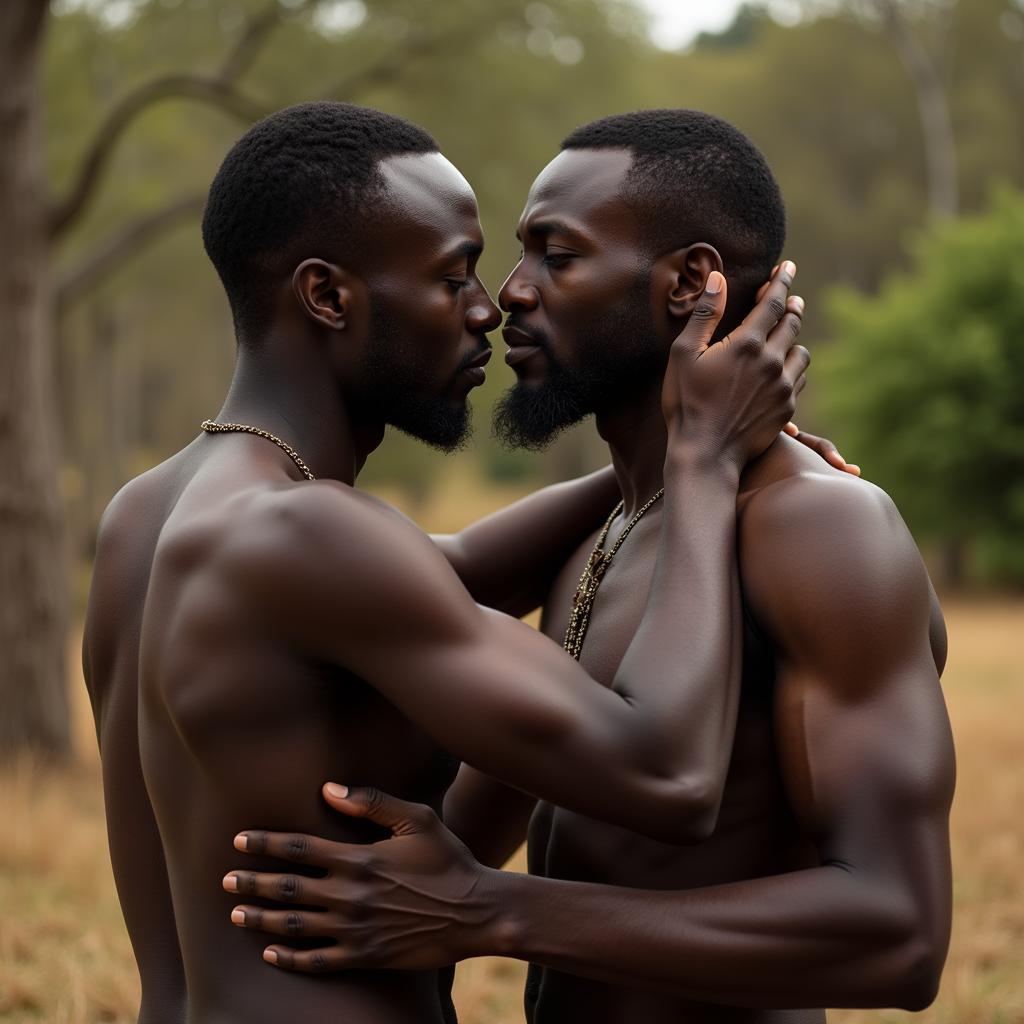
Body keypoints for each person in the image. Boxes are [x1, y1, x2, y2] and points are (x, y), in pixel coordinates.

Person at [83, 101, 815, 1024]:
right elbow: (666, 776)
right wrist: (704, 462)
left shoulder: (148, 515)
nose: (489, 306)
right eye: (451, 276)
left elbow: (460, 570)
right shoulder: (315, 531)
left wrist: (676, 442)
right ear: (327, 295)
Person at [226, 111, 955, 1023]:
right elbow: (497, 801)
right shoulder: (611, 528)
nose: (507, 295)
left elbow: (900, 935)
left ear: (691, 283)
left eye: (555, 256)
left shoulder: (821, 531)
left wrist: (493, 911)